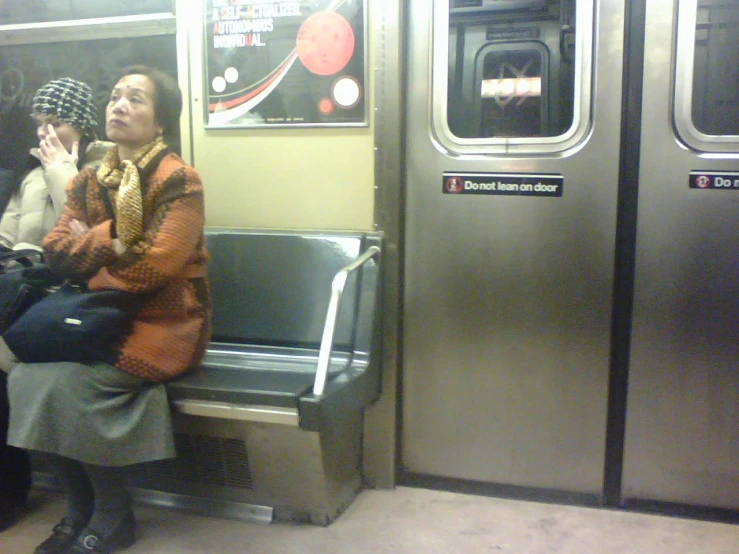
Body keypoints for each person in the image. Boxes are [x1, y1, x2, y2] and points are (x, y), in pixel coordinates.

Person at [3, 65, 211, 554]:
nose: (119, 105)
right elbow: (56, 252)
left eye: (136, 99)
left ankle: (114, 515)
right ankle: (78, 509)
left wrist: (93, 243)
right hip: (94, 313)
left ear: (160, 121)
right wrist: (116, 241)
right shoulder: (91, 180)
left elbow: (155, 269)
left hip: (163, 321)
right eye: (115, 96)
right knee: (24, 376)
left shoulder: (179, 182)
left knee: (72, 384)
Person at [0, 78, 112, 533]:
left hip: (79, 304)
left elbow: (98, 235)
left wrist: (63, 172)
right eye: (40, 124)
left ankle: (22, 495)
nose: (46, 133)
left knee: (20, 378)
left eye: (57, 122)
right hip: (28, 297)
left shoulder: (107, 167)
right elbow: (9, 232)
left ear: (82, 123)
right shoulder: (29, 175)